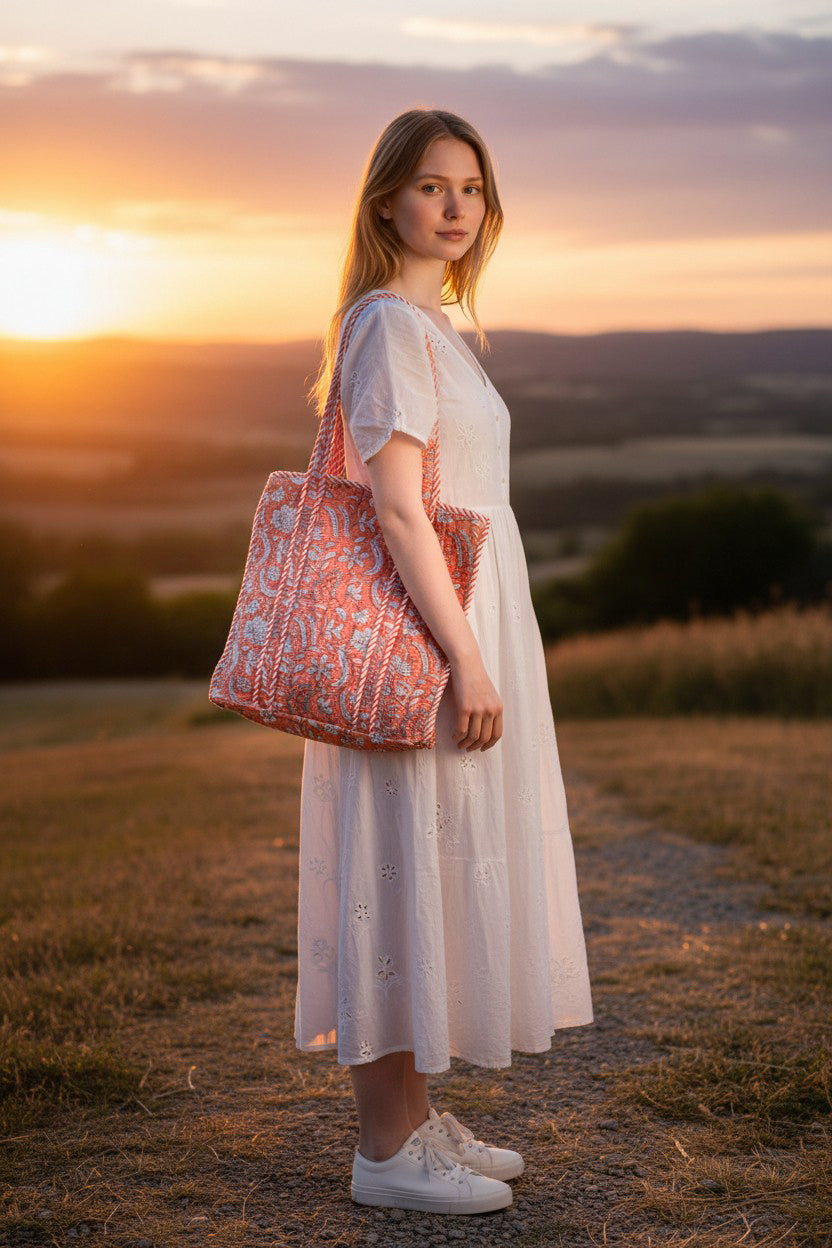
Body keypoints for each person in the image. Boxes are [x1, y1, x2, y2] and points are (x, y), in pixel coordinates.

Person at [295, 108, 594, 1215]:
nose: (454, 205)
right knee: (393, 865)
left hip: (464, 617)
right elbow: (400, 510)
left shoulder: (438, 328)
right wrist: (464, 661)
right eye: (429, 186)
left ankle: (415, 1118)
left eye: (469, 186)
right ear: (386, 202)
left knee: (428, 860)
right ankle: (383, 1150)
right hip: (425, 632)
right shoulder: (384, 324)